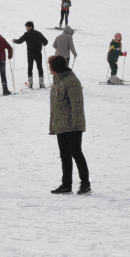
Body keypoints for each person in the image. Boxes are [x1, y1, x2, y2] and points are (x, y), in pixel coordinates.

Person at [48, 55, 90, 194]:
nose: (49, 68)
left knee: (76, 153)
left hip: (73, 125)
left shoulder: (71, 81)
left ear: (56, 67)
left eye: (50, 65)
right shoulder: (58, 82)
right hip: (61, 126)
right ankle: (66, 185)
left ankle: (85, 184)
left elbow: (77, 105)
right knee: (64, 155)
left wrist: (76, 125)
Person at [13, 21, 49, 88]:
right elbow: (46, 42)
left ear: (30, 27)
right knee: (40, 67)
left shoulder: (27, 34)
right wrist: (43, 44)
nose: (26, 28)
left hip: (30, 53)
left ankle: (30, 84)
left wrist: (15, 41)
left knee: (30, 68)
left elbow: (20, 41)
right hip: (38, 53)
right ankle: (41, 84)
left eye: (26, 27)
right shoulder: (39, 33)